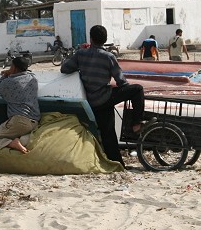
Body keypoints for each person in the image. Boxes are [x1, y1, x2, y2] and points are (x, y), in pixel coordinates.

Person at [61, 25, 145, 166]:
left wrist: (79, 52)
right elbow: (121, 81)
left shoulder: (81, 54)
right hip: (105, 96)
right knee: (137, 89)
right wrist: (125, 91)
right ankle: (136, 123)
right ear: (105, 40)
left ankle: (117, 163)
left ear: (91, 38)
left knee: (108, 133)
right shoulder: (108, 57)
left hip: (92, 101)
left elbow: (64, 68)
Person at [0, 57, 40, 154]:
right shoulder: (33, 79)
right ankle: (21, 142)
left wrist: (5, 75)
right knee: (22, 137)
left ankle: (12, 143)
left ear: (14, 67)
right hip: (34, 122)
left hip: (19, 121)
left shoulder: (8, 82)